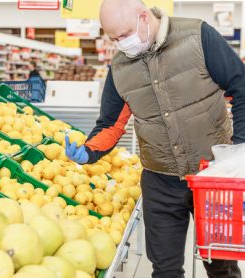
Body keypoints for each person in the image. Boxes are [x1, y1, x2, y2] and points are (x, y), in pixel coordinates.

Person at [65, 0, 245, 277]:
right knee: (164, 270)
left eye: (124, 35)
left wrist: (238, 150)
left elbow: (240, 86)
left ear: (143, 17)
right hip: (160, 181)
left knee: (221, 264)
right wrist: (89, 151)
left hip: (213, 176)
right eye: (114, 38)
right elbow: (111, 123)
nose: (121, 44)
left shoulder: (198, 36)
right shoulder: (121, 69)